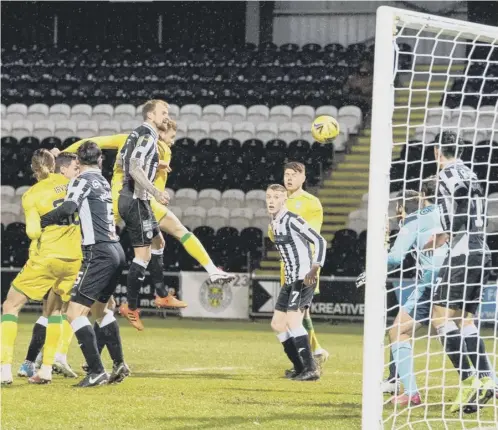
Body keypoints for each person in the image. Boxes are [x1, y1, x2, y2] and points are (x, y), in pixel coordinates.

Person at [62, 118, 233, 310]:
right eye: (172, 136)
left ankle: (76, 277)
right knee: (180, 232)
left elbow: (94, 141)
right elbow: (146, 176)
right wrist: (158, 186)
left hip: (113, 199)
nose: (173, 141)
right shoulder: (160, 148)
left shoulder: (125, 139)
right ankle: (209, 271)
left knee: (102, 240)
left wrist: (62, 153)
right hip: (139, 199)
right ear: (161, 133)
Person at [40, 141, 128, 387]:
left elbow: (69, 208)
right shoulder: (103, 181)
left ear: (78, 163)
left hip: (98, 251)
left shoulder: (81, 181)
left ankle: (97, 371)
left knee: (73, 312)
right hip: (117, 250)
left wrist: (43, 220)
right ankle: (119, 363)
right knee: (100, 311)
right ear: (100, 160)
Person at [357, 179, 449, 406]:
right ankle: (490, 381)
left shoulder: (414, 220)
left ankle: (411, 391)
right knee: (460, 333)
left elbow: (396, 258)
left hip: (430, 284)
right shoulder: (446, 214)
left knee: (398, 331)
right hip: (457, 278)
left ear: (401, 208)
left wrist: (374, 263)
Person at [1, 150, 82, 385]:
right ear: (56, 165)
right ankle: (46, 369)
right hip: (73, 258)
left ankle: (4, 368)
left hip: (47, 256)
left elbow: (33, 232)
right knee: (56, 311)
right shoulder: (70, 183)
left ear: (33, 169)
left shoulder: (31, 195)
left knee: (10, 305)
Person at [430, 130, 494, 413]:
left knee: (439, 320)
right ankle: (487, 378)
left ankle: (469, 381)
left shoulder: (446, 176)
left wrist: (445, 236)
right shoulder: (471, 173)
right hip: (482, 249)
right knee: (465, 322)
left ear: (437, 152)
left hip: (463, 250)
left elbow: (457, 202)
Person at [269, 162, 329, 372]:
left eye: (294, 175)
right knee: (284, 320)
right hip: (288, 266)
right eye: (286, 174)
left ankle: (311, 362)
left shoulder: (311, 203)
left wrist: (314, 267)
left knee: (297, 316)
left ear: (304, 177)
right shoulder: (279, 202)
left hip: (306, 267)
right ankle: (306, 360)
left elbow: (313, 237)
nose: (289, 178)